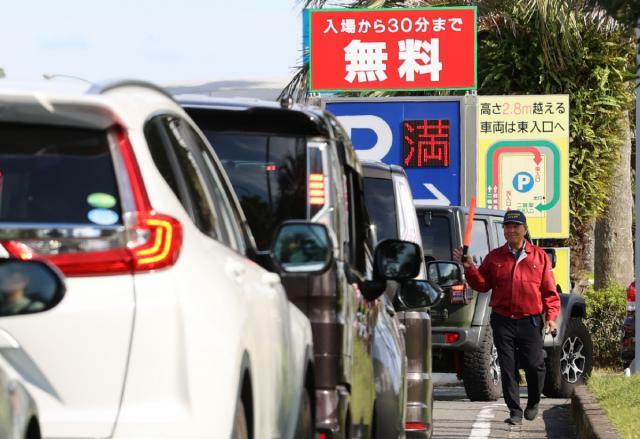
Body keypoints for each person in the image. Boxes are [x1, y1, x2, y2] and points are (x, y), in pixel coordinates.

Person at [453, 210, 560, 425]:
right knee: (507, 366)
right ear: (503, 230)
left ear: (525, 229)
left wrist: (551, 317)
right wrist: (470, 268)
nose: (511, 230)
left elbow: (549, 291)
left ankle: (533, 401)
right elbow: (482, 284)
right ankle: (515, 411)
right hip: (503, 320)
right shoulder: (494, 257)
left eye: (516, 226)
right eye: (507, 227)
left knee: (535, 364)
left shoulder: (539, 256)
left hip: (530, 320)